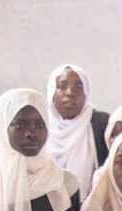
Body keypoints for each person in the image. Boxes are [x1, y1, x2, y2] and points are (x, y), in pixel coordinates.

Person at [45, 64, 109, 194]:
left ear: (87, 94)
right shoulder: (40, 125)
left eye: (78, 87)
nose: (70, 93)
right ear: (52, 93)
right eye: (62, 86)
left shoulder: (100, 123)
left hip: (89, 208)